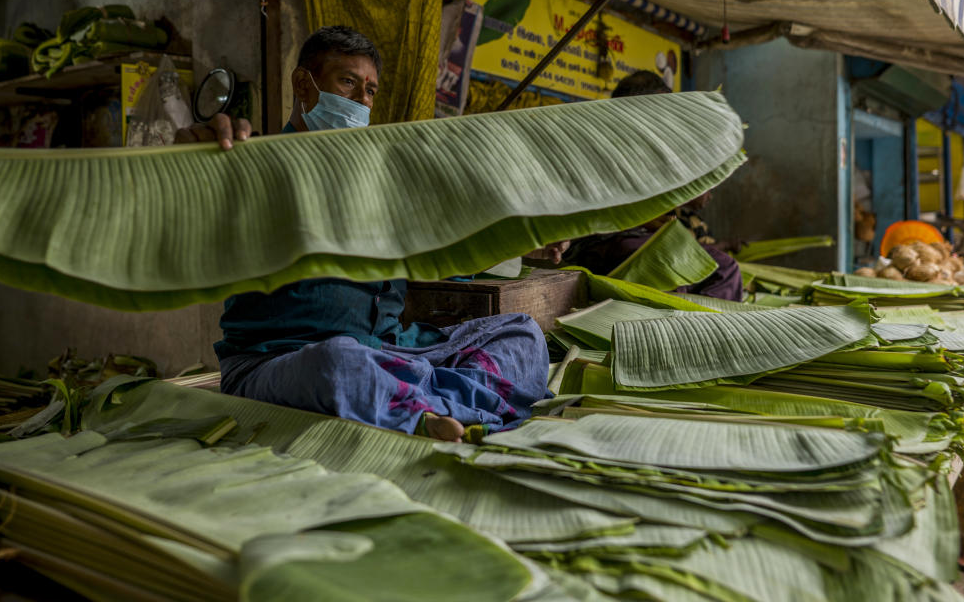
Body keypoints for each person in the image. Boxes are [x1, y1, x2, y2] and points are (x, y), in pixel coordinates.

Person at [177, 26, 550, 442]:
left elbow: (446, 260)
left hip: (392, 352)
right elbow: (184, 222)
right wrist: (188, 165)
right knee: (339, 362)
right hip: (283, 362)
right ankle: (443, 405)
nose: (361, 100)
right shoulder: (252, 166)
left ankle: (414, 404)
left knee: (522, 334)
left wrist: (525, 239)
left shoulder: (385, 184)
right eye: (348, 82)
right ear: (304, 84)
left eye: (370, 90)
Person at [561, 70, 745, 301]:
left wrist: (662, 220)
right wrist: (654, 222)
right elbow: (596, 211)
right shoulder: (599, 143)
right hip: (598, 241)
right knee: (667, 268)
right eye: (660, 108)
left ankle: (705, 329)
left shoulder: (644, 148)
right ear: (637, 106)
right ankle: (676, 326)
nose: (664, 117)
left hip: (636, 237)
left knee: (724, 268)